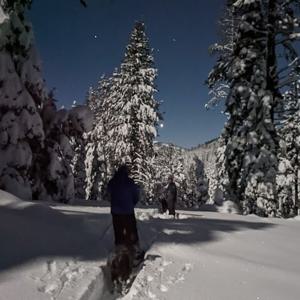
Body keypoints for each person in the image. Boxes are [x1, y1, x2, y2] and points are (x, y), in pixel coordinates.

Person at [107, 165, 143, 260]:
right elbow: (136, 195)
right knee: (131, 230)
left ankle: (119, 250)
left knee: (118, 230)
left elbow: (108, 192)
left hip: (116, 211)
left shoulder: (113, 181)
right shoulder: (130, 182)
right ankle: (135, 251)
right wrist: (132, 203)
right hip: (128, 211)